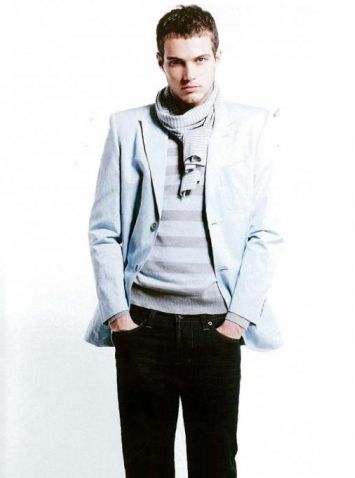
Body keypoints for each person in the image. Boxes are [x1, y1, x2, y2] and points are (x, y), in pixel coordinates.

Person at [84, 4, 284, 477]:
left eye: (199, 59)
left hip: (216, 327)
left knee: (215, 466)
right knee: (146, 467)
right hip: (143, 327)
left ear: (217, 56)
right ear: (160, 61)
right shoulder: (127, 127)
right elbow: (104, 231)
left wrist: (237, 321)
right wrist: (119, 317)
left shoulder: (252, 126)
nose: (188, 73)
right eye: (176, 61)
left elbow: (264, 232)